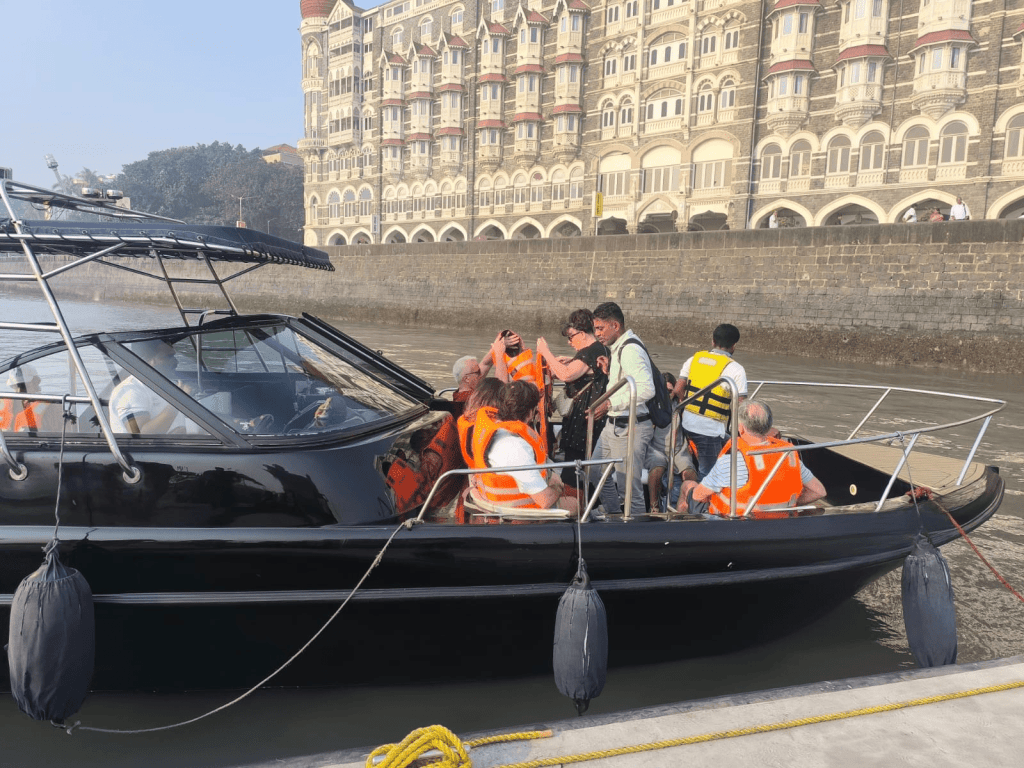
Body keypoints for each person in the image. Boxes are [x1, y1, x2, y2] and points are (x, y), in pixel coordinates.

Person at [680, 400, 825, 518]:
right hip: (781, 520)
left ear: (741, 428)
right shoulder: (789, 457)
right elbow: (819, 491)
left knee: (688, 486)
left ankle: (678, 528)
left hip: (733, 523)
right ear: (768, 426)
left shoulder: (731, 462)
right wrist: (786, 505)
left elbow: (699, 495)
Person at [587, 302, 656, 517]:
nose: (596, 334)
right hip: (614, 425)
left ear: (615, 325)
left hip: (629, 427)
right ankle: (615, 515)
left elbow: (646, 388)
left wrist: (610, 404)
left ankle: (634, 534)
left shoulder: (630, 350)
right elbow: (629, 382)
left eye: (600, 328)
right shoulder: (620, 348)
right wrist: (611, 372)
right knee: (595, 471)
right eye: (595, 329)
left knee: (629, 488)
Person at [470, 380, 577, 513]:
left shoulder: (493, 432)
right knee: (576, 503)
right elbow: (545, 500)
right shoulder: (516, 446)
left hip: (493, 502)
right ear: (531, 413)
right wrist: (557, 487)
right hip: (519, 511)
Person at [536, 309, 608, 486]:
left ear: (582, 334)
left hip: (583, 423)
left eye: (571, 337)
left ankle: (574, 505)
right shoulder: (598, 349)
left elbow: (566, 375)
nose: (569, 342)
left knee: (574, 469)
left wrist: (546, 353)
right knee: (579, 466)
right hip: (584, 420)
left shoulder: (591, 351)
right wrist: (570, 360)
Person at [671, 323, 747, 480]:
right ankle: (703, 501)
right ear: (734, 346)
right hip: (709, 431)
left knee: (733, 446)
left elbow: (678, 390)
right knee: (709, 474)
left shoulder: (693, 359)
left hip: (686, 424)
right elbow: (742, 406)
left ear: (713, 341)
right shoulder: (736, 369)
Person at [108, 339, 198, 434]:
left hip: (175, 446)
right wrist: (178, 401)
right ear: (149, 360)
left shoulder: (165, 384)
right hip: (149, 449)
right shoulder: (130, 390)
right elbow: (140, 435)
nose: (176, 362)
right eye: (169, 357)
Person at [1, 365, 62, 433]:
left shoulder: (51, 408)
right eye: (14, 386)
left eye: (23, 385)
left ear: (35, 382)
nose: (19, 390)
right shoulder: (4, 405)